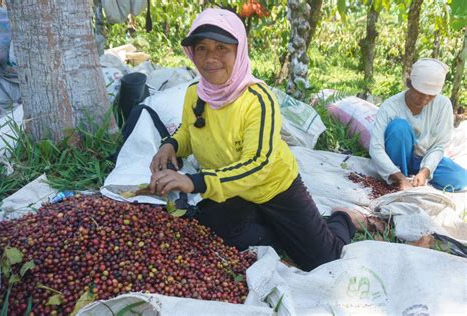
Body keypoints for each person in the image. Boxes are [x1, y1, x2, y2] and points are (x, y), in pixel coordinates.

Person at [149, 8, 378, 272]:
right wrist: (171, 144)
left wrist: (193, 182)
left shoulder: (257, 99)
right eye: (201, 48)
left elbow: (257, 165)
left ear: (239, 51)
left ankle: (342, 218)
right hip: (231, 190)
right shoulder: (195, 93)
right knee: (209, 230)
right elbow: (189, 130)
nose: (210, 58)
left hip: (274, 188)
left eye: (221, 48)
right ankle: (280, 226)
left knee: (323, 261)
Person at [369, 58, 466, 192]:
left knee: (461, 178)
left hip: (424, 159)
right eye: (420, 93)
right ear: (409, 84)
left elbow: (439, 144)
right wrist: (400, 178)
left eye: (431, 96)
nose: (425, 100)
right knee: (399, 127)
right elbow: (375, 147)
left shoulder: (443, 105)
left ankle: (415, 176)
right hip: (398, 159)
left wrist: (425, 171)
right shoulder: (390, 106)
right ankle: (399, 178)